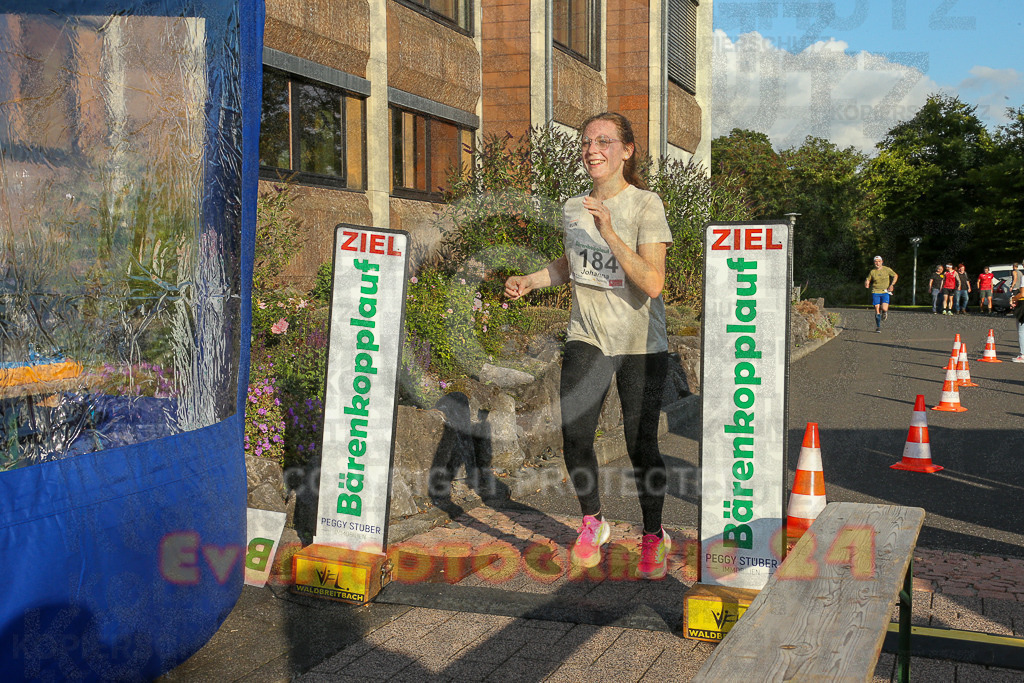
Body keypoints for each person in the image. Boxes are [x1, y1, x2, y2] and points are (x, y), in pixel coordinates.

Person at [504, 112, 673, 579]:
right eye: (586, 142)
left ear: (626, 150)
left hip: (640, 343)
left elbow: (653, 283)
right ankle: (593, 521)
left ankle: (653, 534)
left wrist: (610, 232)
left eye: (603, 141)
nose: (592, 149)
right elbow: (571, 264)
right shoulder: (572, 207)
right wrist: (532, 280)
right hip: (588, 336)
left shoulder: (646, 204)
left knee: (641, 444)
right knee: (575, 435)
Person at [864, 255, 898, 332]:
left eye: (879, 261)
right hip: (875, 291)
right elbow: (868, 279)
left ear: (882, 262)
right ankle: (878, 327)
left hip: (885, 291)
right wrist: (867, 283)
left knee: (884, 308)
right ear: (874, 263)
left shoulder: (887, 269)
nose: (877, 263)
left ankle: (884, 312)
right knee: (877, 308)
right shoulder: (872, 271)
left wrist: (892, 285)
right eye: (876, 262)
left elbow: (895, 275)